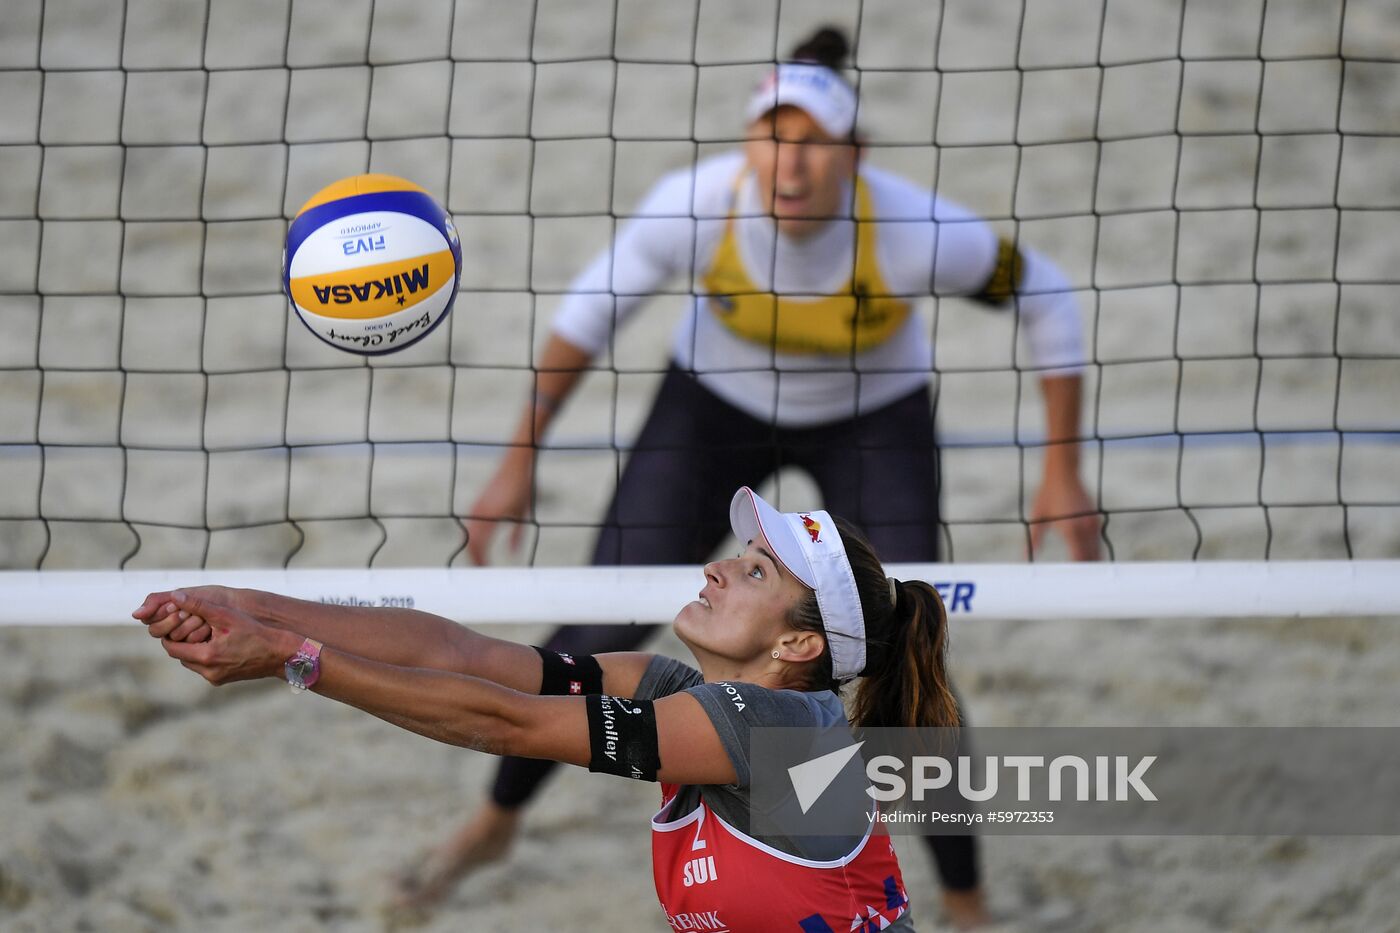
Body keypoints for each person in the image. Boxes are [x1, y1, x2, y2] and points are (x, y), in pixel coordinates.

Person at [424, 25, 1101, 927]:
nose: (790, 164)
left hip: (871, 416)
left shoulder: (913, 228)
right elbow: (585, 319)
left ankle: (968, 902)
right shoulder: (696, 205)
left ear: (853, 155)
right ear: (749, 146)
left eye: (813, 142)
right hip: (714, 409)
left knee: (901, 655)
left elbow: (1046, 296)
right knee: (596, 619)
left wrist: (1062, 470)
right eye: (772, 137)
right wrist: (518, 461)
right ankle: (494, 819)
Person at [134, 487, 960, 932]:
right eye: (740, 555)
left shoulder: (775, 728)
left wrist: (292, 660)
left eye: (755, 574)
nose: (716, 568)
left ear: (798, 647)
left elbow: (506, 724)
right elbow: (467, 657)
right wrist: (252, 604)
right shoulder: (679, 689)